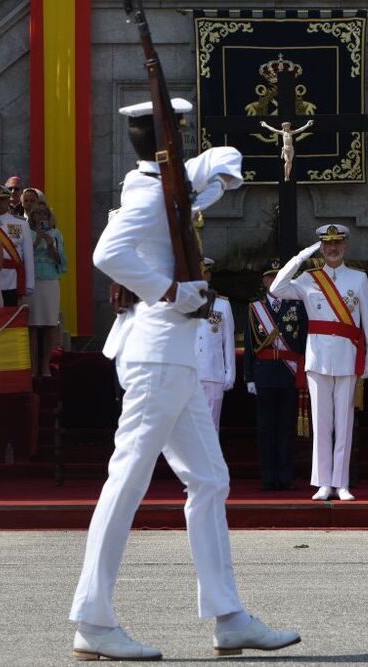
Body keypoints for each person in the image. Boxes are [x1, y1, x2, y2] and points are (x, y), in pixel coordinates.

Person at [70, 97, 298, 662]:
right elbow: (108, 253)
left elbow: (213, 171)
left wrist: (216, 170)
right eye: (182, 130)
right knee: (126, 482)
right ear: (169, 139)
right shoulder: (150, 195)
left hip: (174, 356)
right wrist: (171, 292)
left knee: (210, 478)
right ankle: (93, 619)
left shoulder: (161, 187)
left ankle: (228, 616)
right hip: (158, 354)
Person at [270, 223, 368, 502]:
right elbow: (277, 288)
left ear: (345, 246)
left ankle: (341, 483)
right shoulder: (308, 278)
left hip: (347, 358)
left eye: (337, 244)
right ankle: (323, 483)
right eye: (327, 244)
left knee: (344, 423)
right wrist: (302, 256)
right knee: (321, 423)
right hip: (318, 359)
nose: (332, 249)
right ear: (321, 246)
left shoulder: (359, 278)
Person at [244, 258, 308, 491]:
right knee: (265, 429)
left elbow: (303, 343)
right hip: (263, 375)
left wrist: (303, 372)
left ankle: (286, 476)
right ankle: (268, 476)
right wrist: (249, 376)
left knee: (285, 428)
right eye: (270, 277)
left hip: (288, 375)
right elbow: (251, 345)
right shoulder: (255, 308)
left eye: (278, 277)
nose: (273, 281)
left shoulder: (296, 305)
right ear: (263, 280)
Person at [24, 201, 65, 376]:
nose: (41, 217)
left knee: (49, 324)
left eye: (44, 213)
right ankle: (33, 367)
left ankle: (46, 365)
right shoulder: (27, 233)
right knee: (32, 325)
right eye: (37, 213)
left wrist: (50, 246)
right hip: (33, 282)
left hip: (50, 281)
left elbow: (61, 261)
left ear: (49, 217)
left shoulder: (56, 234)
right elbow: (22, 257)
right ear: (32, 216)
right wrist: (37, 240)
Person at [194, 257, 235, 430]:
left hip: (214, 372)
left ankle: (211, 458)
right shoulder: (184, 303)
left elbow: (228, 341)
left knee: (211, 425)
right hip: (190, 373)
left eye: (205, 274)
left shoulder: (222, 305)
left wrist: (230, 373)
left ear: (209, 276)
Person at [0, 185, 35, 307]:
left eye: (2, 199)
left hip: (12, 280)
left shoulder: (20, 223)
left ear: (8, 200)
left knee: (11, 319)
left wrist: (29, 284)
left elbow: (28, 256)